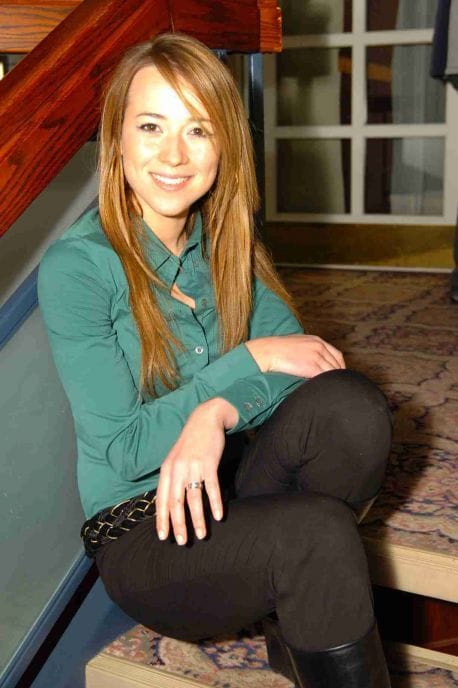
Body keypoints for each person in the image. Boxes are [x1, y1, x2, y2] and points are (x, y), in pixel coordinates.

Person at [38, 32, 393, 688]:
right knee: (316, 532)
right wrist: (245, 361)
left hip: (231, 488)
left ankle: (301, 622)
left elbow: (306, 364)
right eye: (151, 126)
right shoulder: (80, 268)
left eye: (197, 130)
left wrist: (218, 412)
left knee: (351, 406)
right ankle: (303, 579)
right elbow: (122, 448)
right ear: (116, 139)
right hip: (147, 532)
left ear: (224, 145)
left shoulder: (223, 241)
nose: (174, 154)